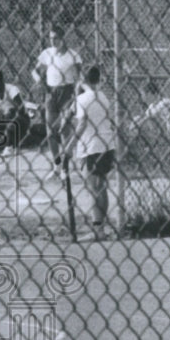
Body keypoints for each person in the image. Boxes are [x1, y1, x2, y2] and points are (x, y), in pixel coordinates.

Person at [63, 65, 116, 241]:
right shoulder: (103, 96)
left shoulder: (82, 99)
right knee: (101, 186)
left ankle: (98, 230)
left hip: (91, 147)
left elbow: (82, 123)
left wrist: (70, 146)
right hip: (106, 145)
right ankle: (100, 227)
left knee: (93, 188)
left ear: (82, 80)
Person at [32, 26, 83, 180]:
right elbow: (34, 71)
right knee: (50, 132)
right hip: (50, 93)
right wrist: (39, 81)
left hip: (66, 93)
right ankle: (57, 165)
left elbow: (78, 78)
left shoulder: (72, 55)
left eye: (56, 38)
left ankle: (66, 168)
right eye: (51, 38)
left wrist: (75, 96)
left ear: (63, 38)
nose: (53, 41)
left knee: (64, 130)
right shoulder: (47, 53)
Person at [0, 70, 29, 157]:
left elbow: (22, 109)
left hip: (21, 119)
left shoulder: (11, 89)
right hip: (3, 119)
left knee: (10, 113)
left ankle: (10, 147)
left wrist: (9, 110)